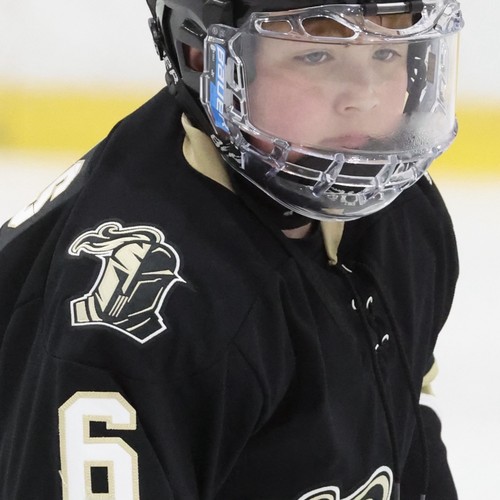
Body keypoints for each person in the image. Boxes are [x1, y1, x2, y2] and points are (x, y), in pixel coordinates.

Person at [0, 0, 464, 498]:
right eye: (316, 54)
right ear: (201, 55)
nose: (365, 96)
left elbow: (406, 430)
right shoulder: (143, 308)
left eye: (387, 53)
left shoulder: (402, 217)